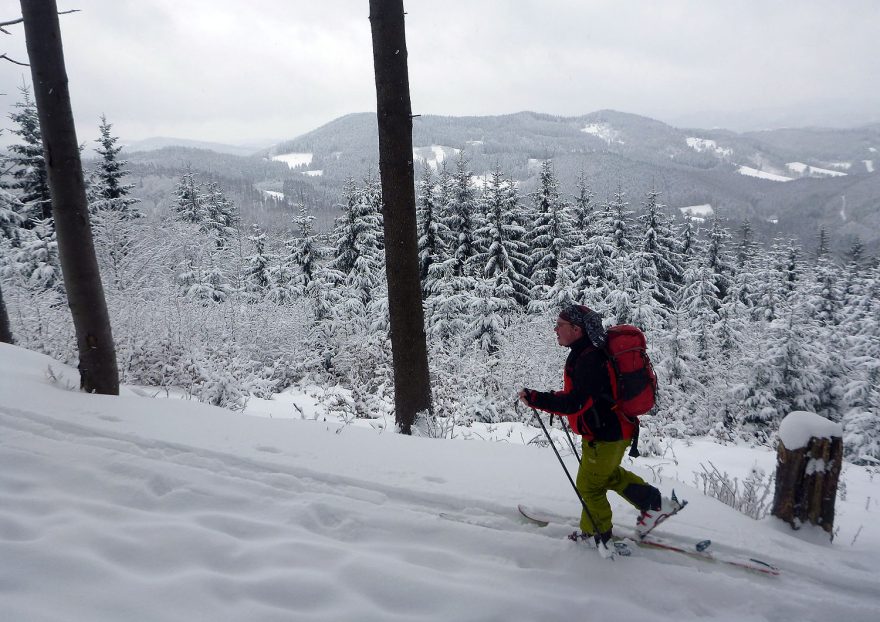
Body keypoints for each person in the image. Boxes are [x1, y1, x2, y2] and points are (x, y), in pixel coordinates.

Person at [518, 304, 681, 548]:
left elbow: (576, 402)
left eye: (560, 325)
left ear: (576, 329)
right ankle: (655, 505)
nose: (555, 330)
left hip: (606, 435)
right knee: (607, 476)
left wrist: (538, 399)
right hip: (614, 430)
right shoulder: (588, 351)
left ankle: (597, 536)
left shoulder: (589, 359)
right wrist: (552, 398)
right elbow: (584, 395)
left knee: (589, 486)